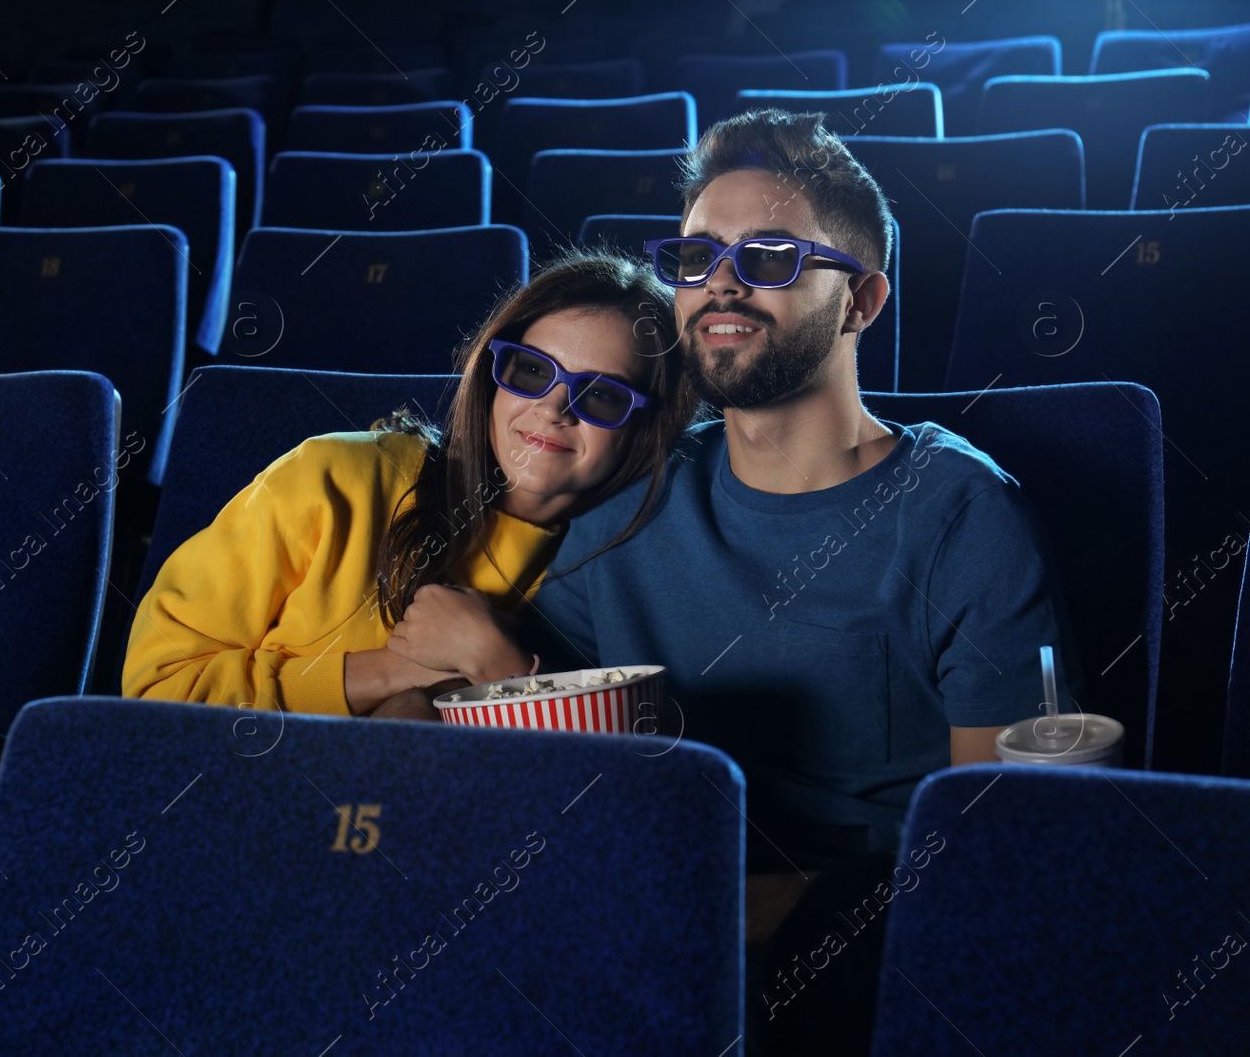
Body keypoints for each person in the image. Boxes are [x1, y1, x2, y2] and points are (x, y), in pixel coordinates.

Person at [494, 110, 1073, 1054]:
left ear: (861, 302)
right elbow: (545, 756)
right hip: (641, 925)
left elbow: (1000, 849)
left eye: (768, 257)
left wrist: (757, 908)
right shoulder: (629, 498)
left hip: (864, 960)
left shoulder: (963, 515)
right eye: (695, 258)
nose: (718, 282)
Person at [123, 252, 701, 716]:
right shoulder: (337, 478)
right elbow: (155, 688)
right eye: (531, 370)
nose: (553, 409)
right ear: (494, 377)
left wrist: (500, 667)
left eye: (601, 395)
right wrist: (398, 671)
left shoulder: (622, 569)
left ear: (646, 425)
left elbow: (602, 787)